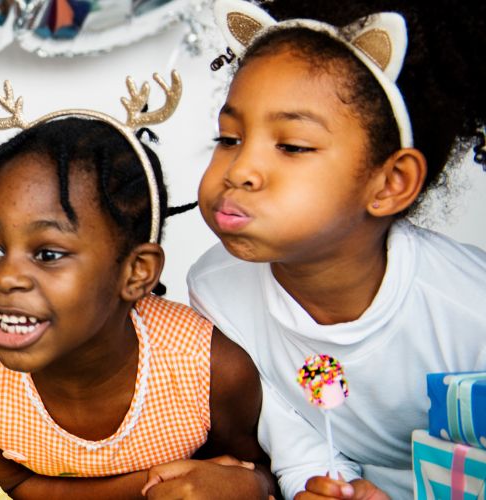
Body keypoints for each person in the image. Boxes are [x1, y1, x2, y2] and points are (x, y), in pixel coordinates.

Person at [187, 1, 486, 498]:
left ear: (390, 183)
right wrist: (327, 488)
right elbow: (298, 443)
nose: (240, 170)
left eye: (293, 146)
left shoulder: (471, 310)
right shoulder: (216, 291)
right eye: (230, 137)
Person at [0, 112, 269, 499]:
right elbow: (8, 486)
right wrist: (149, 486)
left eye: (47, 254)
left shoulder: (210, 369)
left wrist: (251, 483)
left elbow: (258, 472)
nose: (5, 277)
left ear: (136, 273)